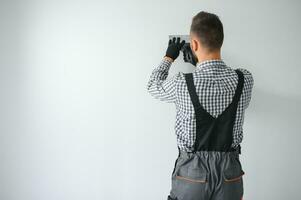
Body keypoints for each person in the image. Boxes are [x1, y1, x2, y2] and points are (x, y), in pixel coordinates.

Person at [146, 11, 254, 200]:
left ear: (194, 44)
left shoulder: (182, 83)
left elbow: (153, 86)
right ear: (221, 41)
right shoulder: (244, 79)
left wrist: (168, 58)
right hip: (230, 175)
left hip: (192, 174)